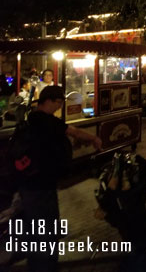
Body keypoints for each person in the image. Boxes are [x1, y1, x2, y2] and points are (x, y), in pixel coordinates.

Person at [18, 86, 102, 271]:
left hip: (33, 182)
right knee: (44, 229)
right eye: (58, 102)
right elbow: (73, 131)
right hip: (39, 184)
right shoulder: (45, 120)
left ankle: (40, 262)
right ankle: (43, 265)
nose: (59, 106)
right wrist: (94, 139)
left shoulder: (32, 119)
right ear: (48, 101)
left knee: (39, 227)